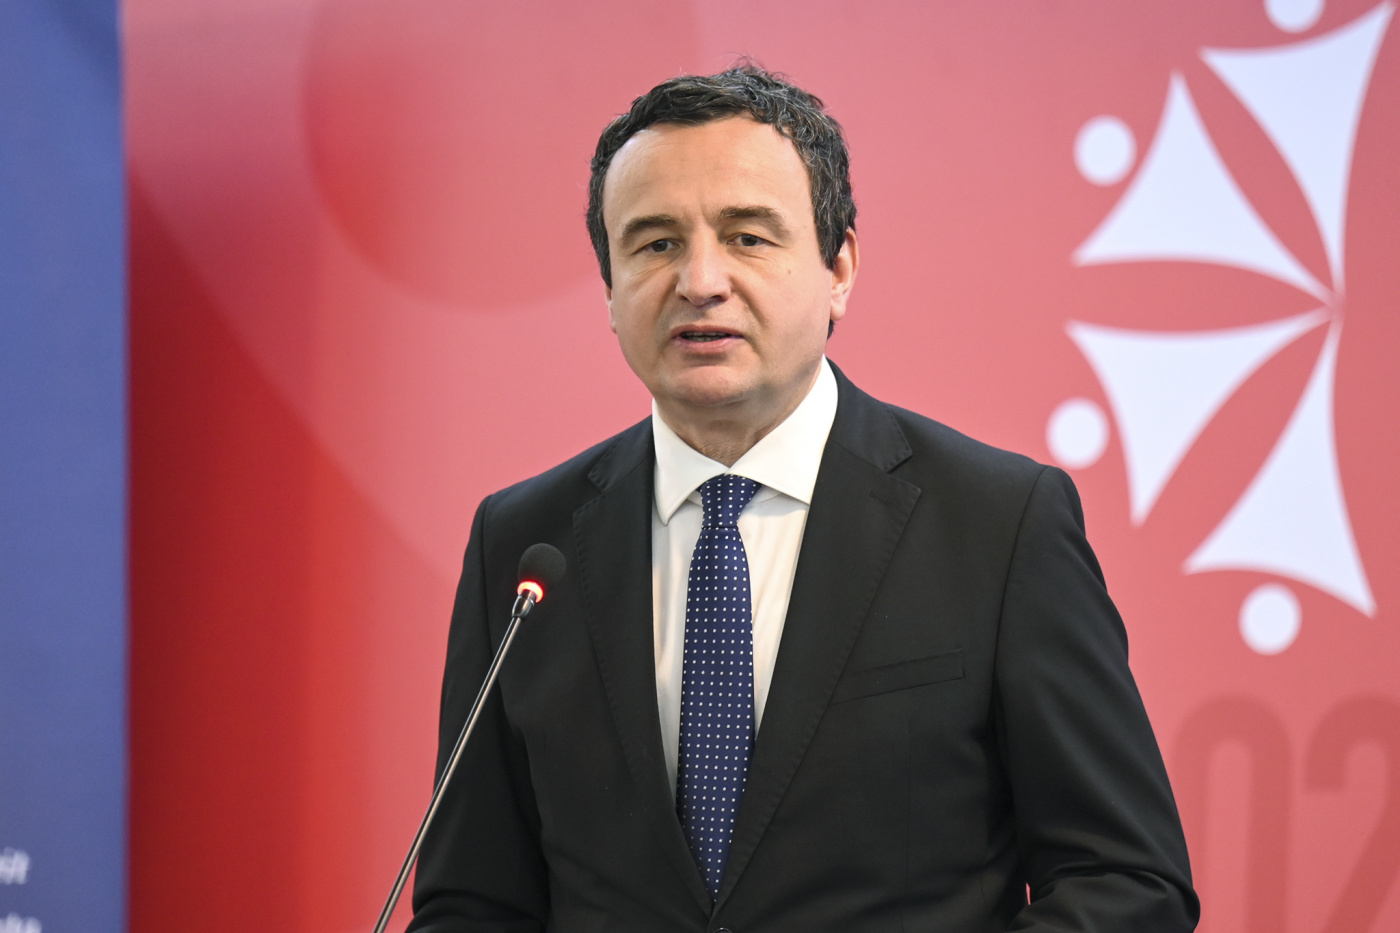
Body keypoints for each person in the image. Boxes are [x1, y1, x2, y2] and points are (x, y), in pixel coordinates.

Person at [408, 65, 1198, 932]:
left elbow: (1128, 880)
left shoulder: (998, 524)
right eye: (655, 243)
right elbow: (473, 901)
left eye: (747, 237)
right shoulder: (526, 544)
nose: (700, 280)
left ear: (840, 267)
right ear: (608, 289)